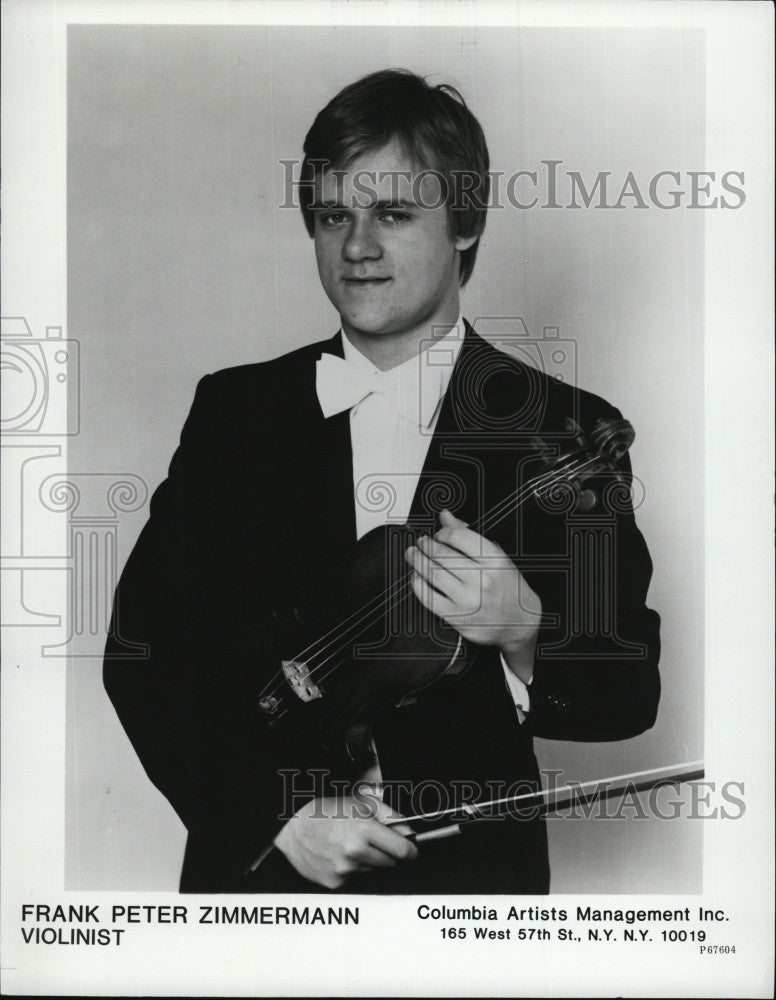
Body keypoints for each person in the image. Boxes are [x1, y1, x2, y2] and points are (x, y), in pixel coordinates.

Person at [104, 69, 660, 894]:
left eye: (394, 213)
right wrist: (280, 817)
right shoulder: (237, 412)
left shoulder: (563, 430)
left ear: (465, 224)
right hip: (265, 878)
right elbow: (145, 653)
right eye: (334, 215)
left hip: (471, 889)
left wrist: (523, 630)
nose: (357, 246)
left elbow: (628, 695)